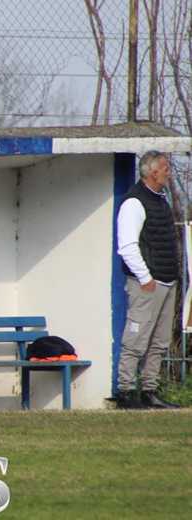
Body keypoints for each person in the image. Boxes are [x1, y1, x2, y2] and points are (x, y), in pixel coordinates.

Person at [116, 151, 181, 409]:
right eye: (165, 168)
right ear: (153, 172)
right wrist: (145, 277)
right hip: (147, 282)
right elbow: (127, 246)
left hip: (167, 280)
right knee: (136, 338)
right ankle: (125, 390)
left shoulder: (160, 200)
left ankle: (149, 390)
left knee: (159, 341)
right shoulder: (134, 202)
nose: (168, 173)